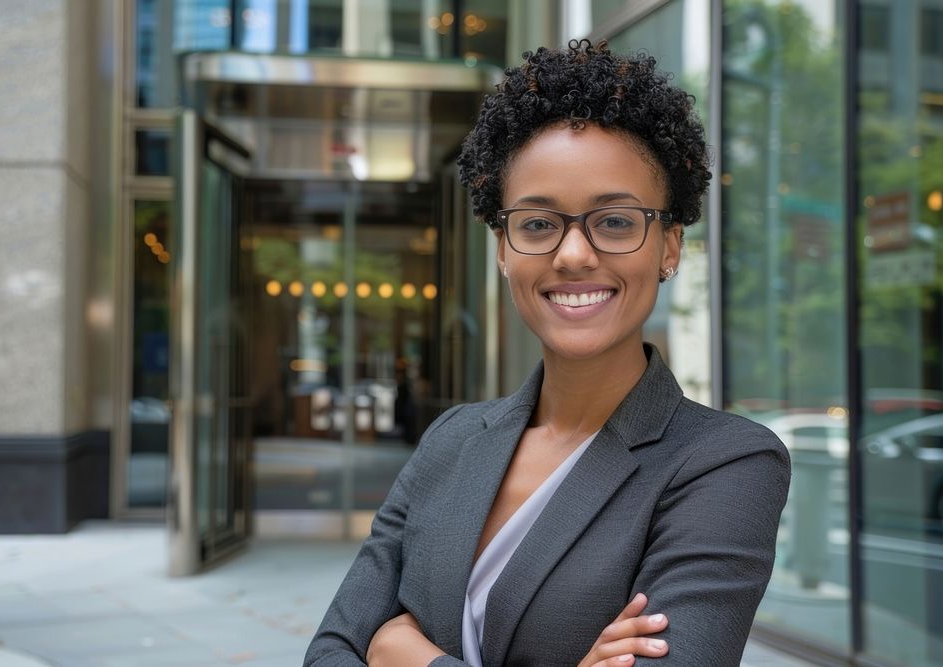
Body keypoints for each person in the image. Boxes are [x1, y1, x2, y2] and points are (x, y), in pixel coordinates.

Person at [304, 39, 790, 666]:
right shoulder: (451, 439)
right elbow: (330, 652)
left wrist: (404, 651)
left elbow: (369, 643)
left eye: (615, 221)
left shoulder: (725, 465)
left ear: (669, 245)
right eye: (537, 224)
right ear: (503, 249)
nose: (572, 254)